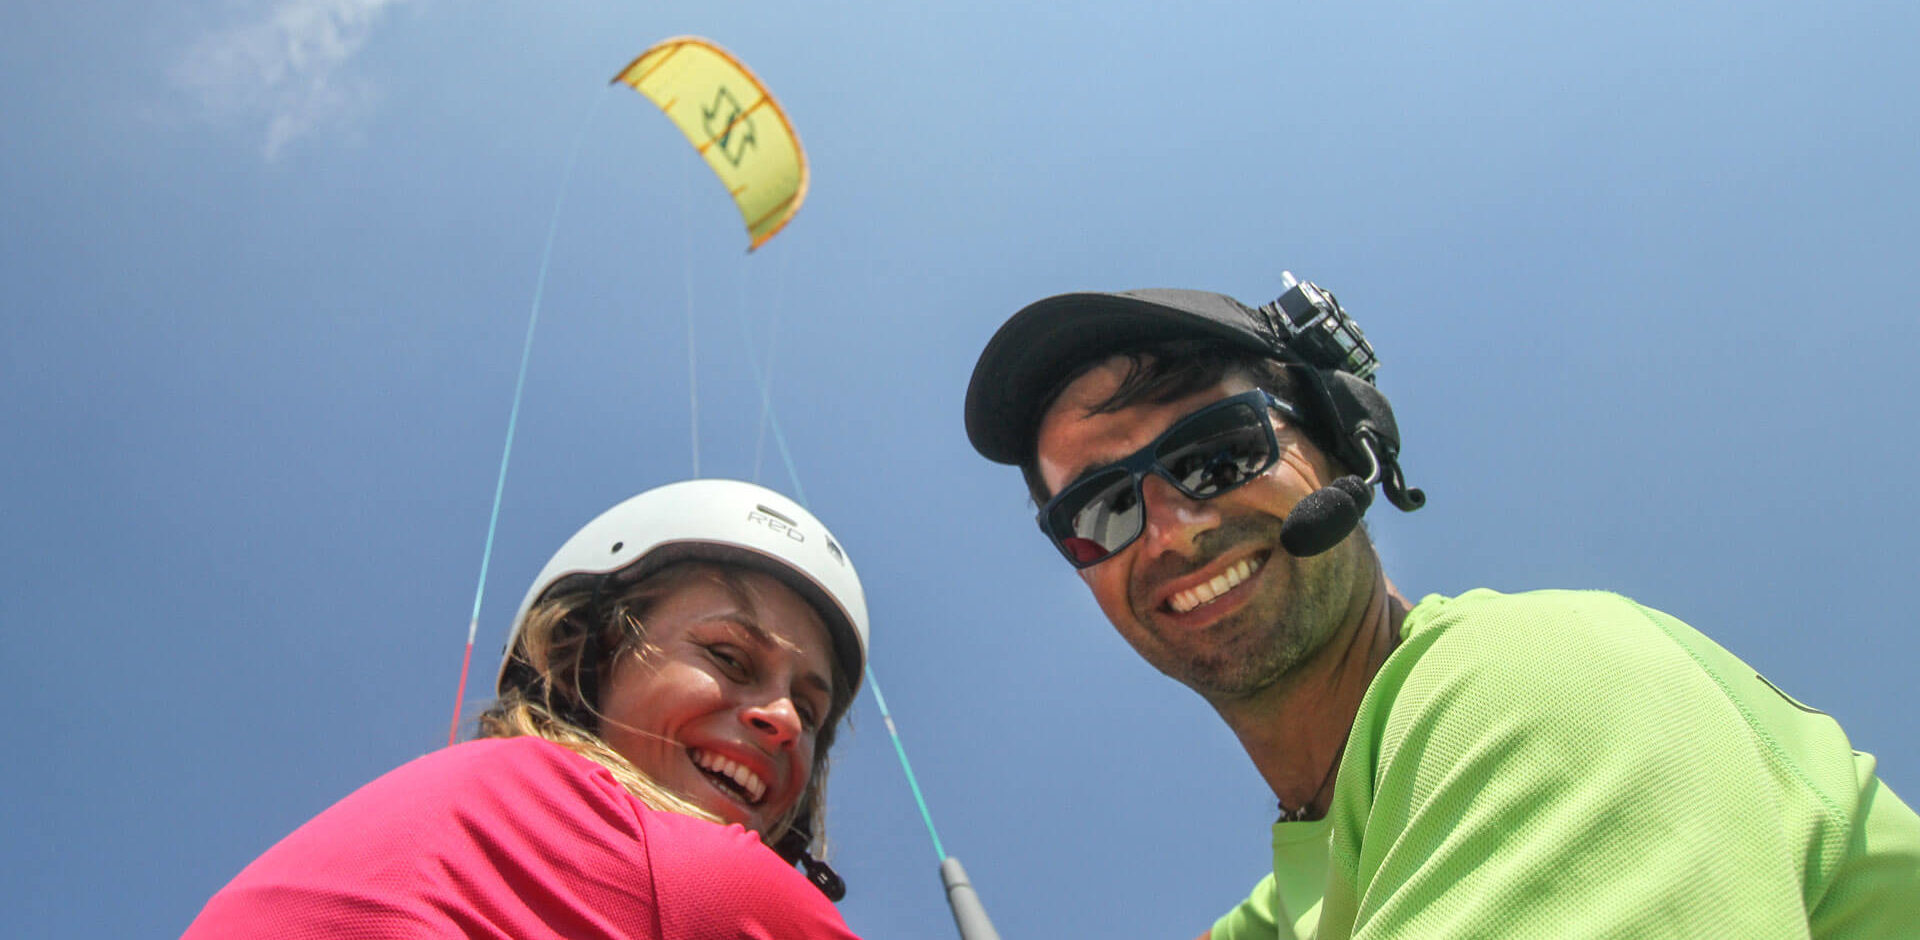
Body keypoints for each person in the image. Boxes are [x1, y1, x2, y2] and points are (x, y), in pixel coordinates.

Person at [964, 276, 1920, 938]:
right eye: (1102, 506)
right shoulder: (1316, 867)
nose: (1168, 530)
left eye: (1216, 455)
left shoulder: (1529, 685)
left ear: (1345, 445)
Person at [184, 479, 868, 939]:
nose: (781, 719)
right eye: (727, 657)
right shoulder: (595, 825)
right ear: (585, 662)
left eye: (810, 713)